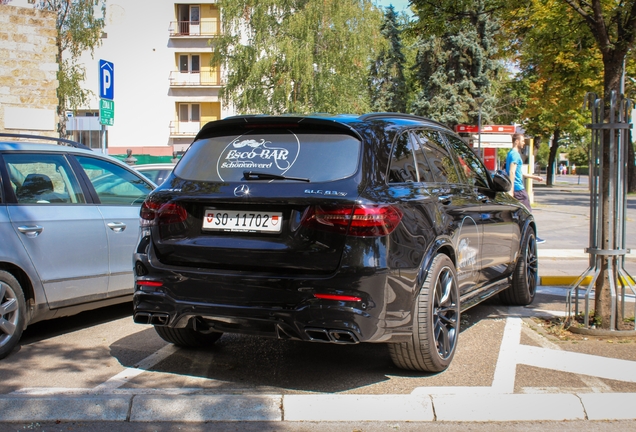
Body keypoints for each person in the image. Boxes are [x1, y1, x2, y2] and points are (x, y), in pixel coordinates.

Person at [506, 133, 546, 244]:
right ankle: (531, 237)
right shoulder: (515, 155)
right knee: (528, 214)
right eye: (522, 141)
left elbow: (519, 173)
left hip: (517, 188)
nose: (524, 143)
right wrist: (511, 190)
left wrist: (534, 177)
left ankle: (523, 236)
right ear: (516, 141)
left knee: (520, 214)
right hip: (519, 190)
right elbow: (512, 172)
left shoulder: (511, 153)